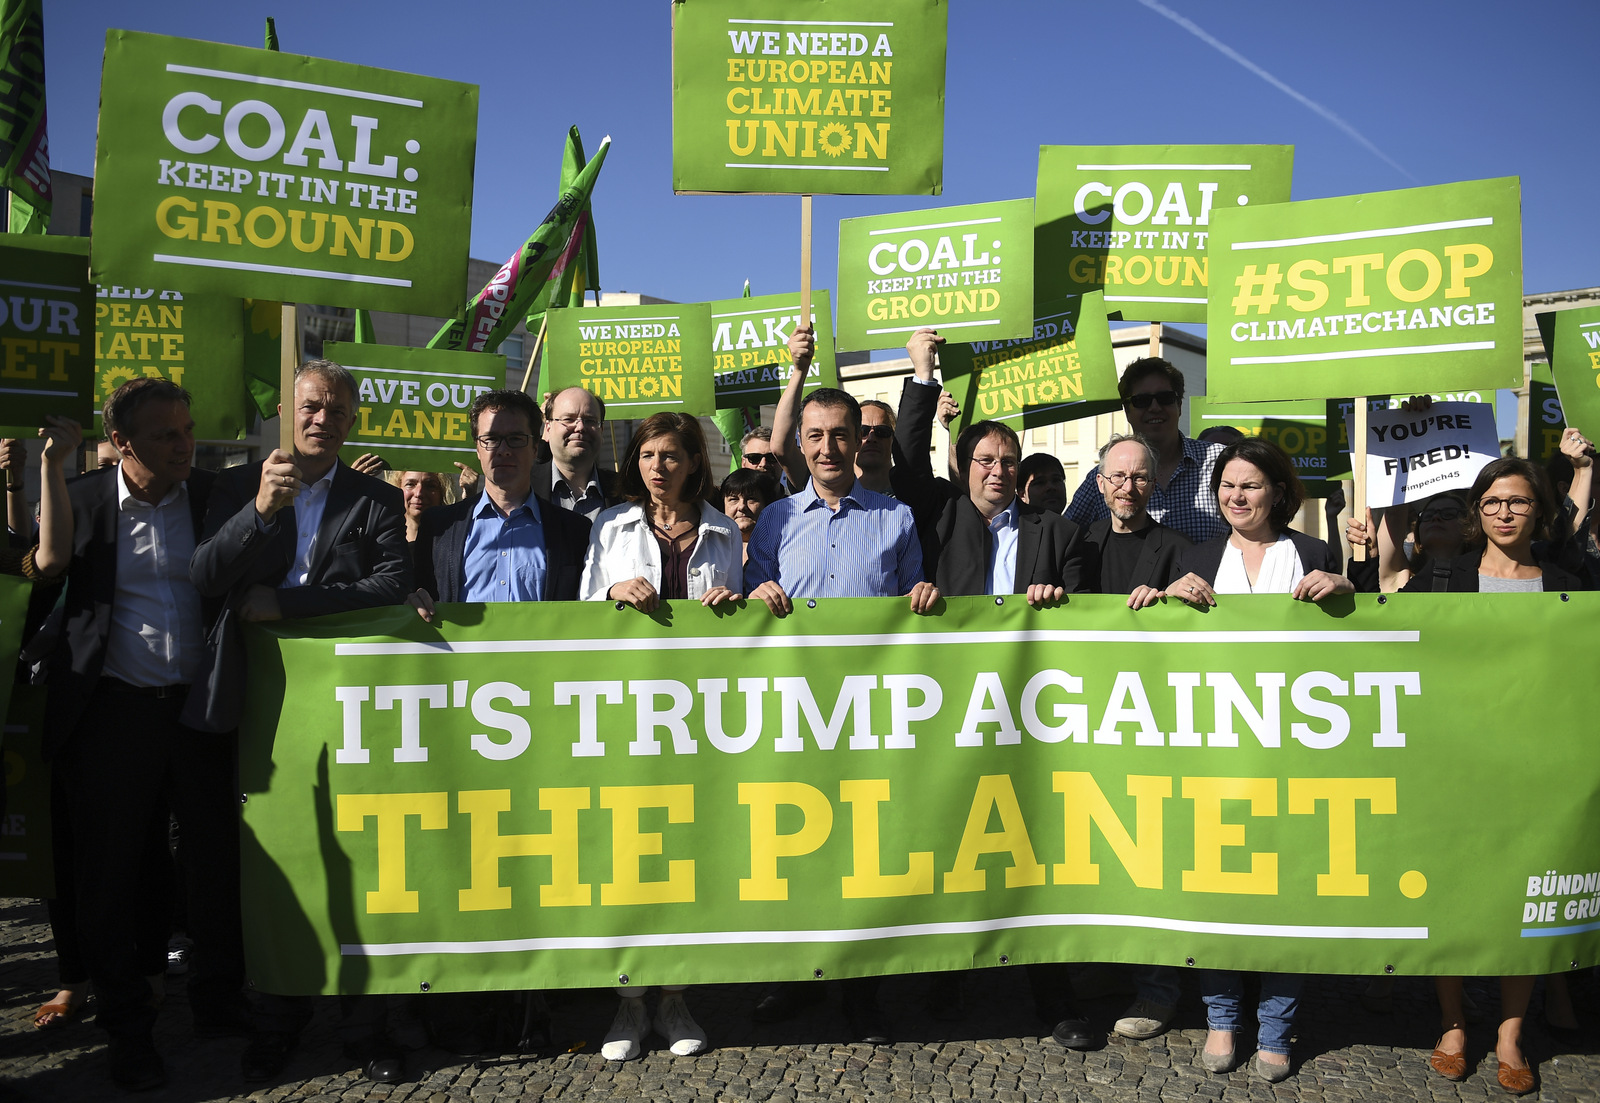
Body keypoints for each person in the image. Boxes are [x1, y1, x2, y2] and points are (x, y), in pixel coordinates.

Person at [188, 360, 413, 1085]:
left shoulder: (375, 498)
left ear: (352, 422)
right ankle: (276, 1016)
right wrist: (258, 511)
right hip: (259, 703)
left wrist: (292, 605)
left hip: (348, 707)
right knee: (273, 861)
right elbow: (206, 575)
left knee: (356, 854)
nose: (323, 420)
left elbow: (390, 584)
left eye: (337, 411)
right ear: (289, 410)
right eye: (312, 407)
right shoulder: (235, 484)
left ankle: (363, 1024)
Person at [39, 380, 225, 1091]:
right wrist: (40, 470)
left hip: (200, 712)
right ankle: (126, 1025)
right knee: (108, 876)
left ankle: (216, 995)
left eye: (187, 429)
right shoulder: (83, 502)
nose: (184, 445)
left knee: (208, 863)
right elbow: (39, 566)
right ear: (121, 442)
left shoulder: (211, 496)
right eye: (164, 435)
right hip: (113, 714)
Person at [1163, 437, 1354, 1084]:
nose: (1236, 496)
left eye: (1250, 484)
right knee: (1216, 887)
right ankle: (1221, 1015)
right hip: (1212, 755)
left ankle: (1275, 1024)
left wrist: (1348, 587)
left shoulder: (1315, 554)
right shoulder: (1195, 557)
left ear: (1277, 490)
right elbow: (1162, 656)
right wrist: (1165, 602)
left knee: (1286, 893)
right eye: (1226, 485)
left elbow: (1366, 640)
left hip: (1294, 756)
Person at [1400, 456, 1583, 1096]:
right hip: (1451, 765)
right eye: (1493, 502)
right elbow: (1393, 637)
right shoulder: (1442, 576)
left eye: (1519, 502)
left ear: (1540, 510)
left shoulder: (1568, 582)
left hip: (1535, 770)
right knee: (1450, 894)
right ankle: (1452, 1023)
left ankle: (1509, 1034)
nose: (1504, 512)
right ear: (1478, 511)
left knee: (1519, 902)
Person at [744, 386, 921, 1043]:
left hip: (867, 712)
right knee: (797, 847)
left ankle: (861, 994)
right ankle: (794, 977)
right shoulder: (775, 521)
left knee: (861, 853)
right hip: (794, 711)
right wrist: (755, 590)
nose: (826, 447)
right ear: (801, 443)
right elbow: (748, 605)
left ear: (859, 440)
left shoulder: (896, 517)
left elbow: (912, 611)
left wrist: (923, 595)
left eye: (839, 434)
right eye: (813, 435)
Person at [576, 412, 739, 1061]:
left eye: (672, 455)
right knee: (631, 855)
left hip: (699, 719)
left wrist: (738, 599)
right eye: (648, 455)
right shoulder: (609, 525)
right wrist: (613, 589)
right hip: (630, 714)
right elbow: (578, 608)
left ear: (695, 461)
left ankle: (675, 996)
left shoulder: (724, 529)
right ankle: (628, 1001)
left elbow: (754, 618)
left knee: (689, 854)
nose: (659, 466)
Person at [410, 389, 592, 617]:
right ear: (477, 447)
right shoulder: (439, 527)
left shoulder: (576, 531)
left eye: (516, 439)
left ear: (535, 447)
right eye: (491, 439)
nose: (504, 450)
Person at [909, 417, 1094, 607]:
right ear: (962, 471)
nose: (999, 471)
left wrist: (1057, 601)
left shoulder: (1061, 532)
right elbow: (910, 456)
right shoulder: (940, 515)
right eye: (986, 461)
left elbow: (1080, 610)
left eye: (1008, 462)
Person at [1067, 357, 1227, 543]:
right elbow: (1064, 538)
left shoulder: (1220, 462)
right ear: (1127, 411)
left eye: (1165, 398)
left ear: (1180, 406)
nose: (1155, 408)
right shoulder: (1104, 478)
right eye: (1142, 401)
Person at [1083, 434, 1192, 611]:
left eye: (1139, 478)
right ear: (1101, 483)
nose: (1128, 488)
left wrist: (1164, 597)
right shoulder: (1081, 544)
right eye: (1117, 476)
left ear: (1153, 486)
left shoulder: (1179, 550)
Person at [535, 386, 621, 520]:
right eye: (568, 419)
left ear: (601, 430)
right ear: (548, 427)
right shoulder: (521, 488)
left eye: (590, 420)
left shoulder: (627, 492)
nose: (580, 427)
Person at [719, 467, 781, 562]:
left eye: (751, 499)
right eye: (733, 499)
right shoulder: (711, 547)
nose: (742, 507)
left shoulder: (780, 548)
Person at [739, 426, 787, 491]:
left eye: (771, 457)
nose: (763, 464)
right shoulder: (725, 500)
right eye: (754, 458)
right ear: (743, 463)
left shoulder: (799, 501)